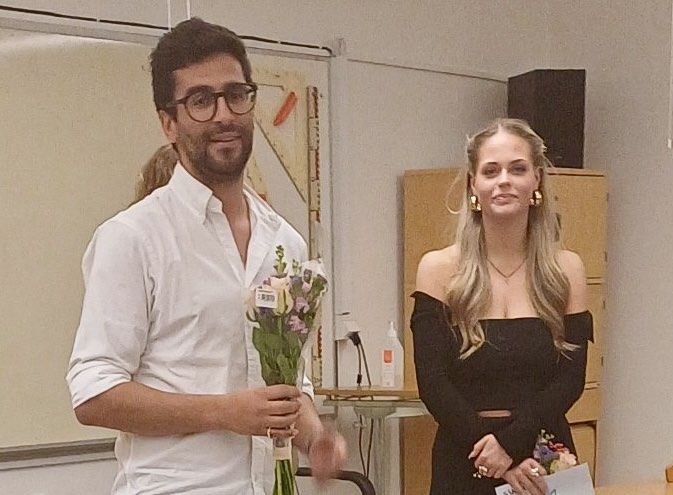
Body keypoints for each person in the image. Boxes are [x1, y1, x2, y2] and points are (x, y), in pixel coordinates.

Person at [67, 18, 345, 495]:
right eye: (201, 101)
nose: (223, 115)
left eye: (236, 95)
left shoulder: (286, 244)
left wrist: (315, 439)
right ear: (168, 123)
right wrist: (224, 412)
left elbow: (289, 386)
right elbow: (93, 394)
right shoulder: (132, 238)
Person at [411, 118, 593, 495]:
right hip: (465, 455)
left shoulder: (567, 270)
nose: (504, 180)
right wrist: (498, 458)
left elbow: (570, 380)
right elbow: (433, 383)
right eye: (491, 171)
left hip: (543, 456)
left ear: (537, 180)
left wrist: (511, 446)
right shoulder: (438, 269)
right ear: (472, 184)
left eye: (518, 169)